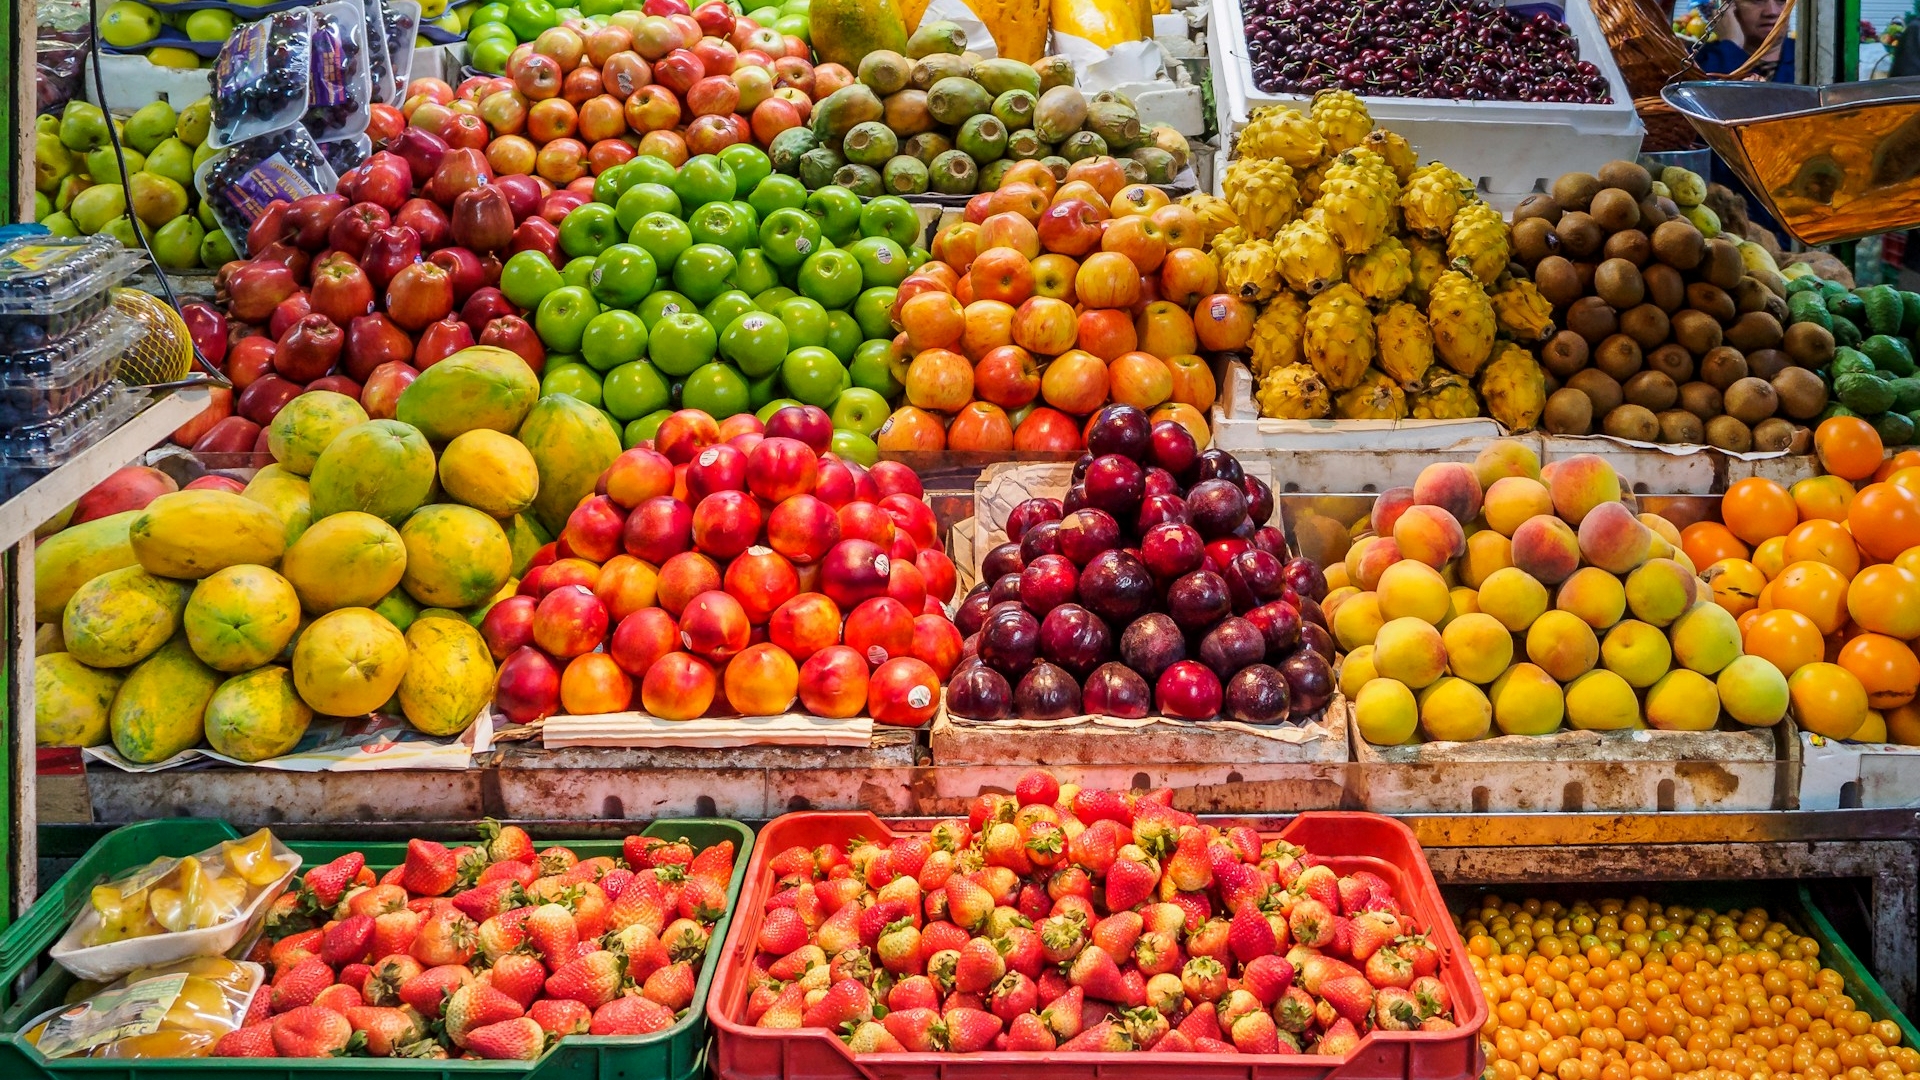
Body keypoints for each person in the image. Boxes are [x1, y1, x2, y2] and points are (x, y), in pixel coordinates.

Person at [1693, 0, 1796, 241]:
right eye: (1756, 0)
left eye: (1782, 1)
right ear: (1730, 7)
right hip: (1722, 230)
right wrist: (1731, 46)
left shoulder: (1811, 61)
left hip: (1792, 233)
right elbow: (1709, 121)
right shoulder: (1704, 62)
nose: (1772, 11)